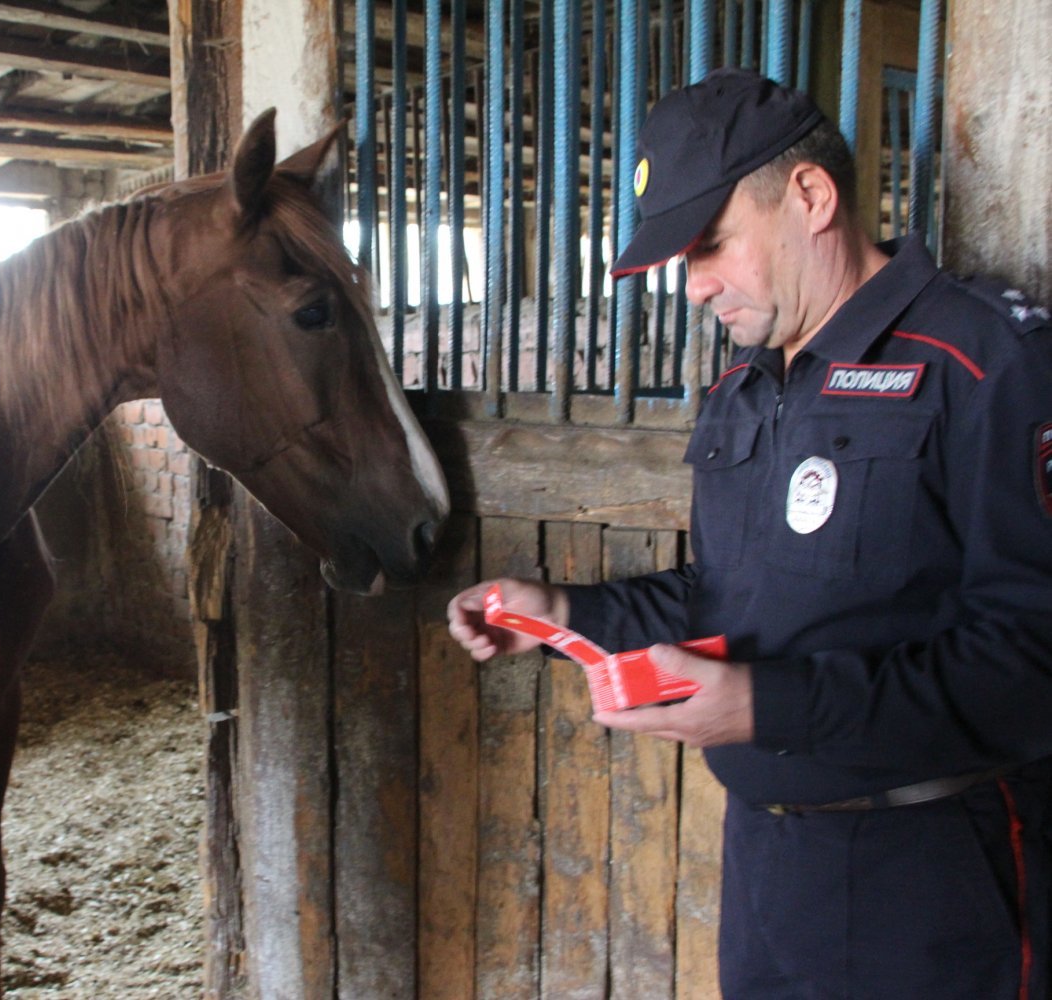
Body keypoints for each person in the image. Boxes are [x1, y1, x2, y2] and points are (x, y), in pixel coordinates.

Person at [448, 68, 1052, 998]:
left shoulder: (984, 360)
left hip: (932, 874)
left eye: (712, 247)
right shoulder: (744, 391)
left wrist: (771, 707)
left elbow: (1029, 664)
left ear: (810, 196)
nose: (694, 289)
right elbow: (722, 594)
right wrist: (563, 609)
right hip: (768, 863)